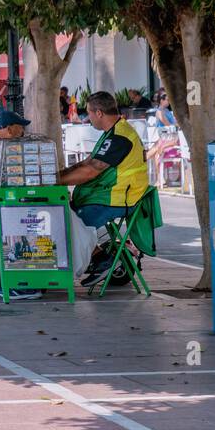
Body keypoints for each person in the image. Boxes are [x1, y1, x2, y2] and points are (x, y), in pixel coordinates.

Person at [58, 91, 150, 288]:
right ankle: (99, 258)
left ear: (99, 113)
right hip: (106, 196)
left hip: (117, 199)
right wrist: (57, 176)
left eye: (89, 113)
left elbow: (91, 171)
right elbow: (87, 163)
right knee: (65, 214)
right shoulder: (113, 132)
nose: (87, 117)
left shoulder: (120, 137)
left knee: (68, 220)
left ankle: (102, 260)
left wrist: (55, 181)